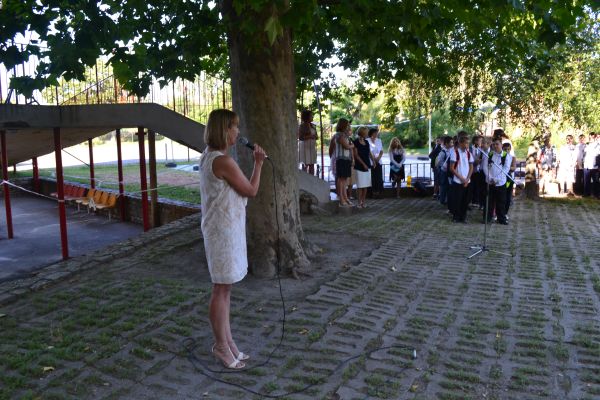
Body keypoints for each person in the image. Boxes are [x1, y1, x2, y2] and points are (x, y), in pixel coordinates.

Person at [199, 109, 266, 369]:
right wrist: (258, 163)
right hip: (222, 231)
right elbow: (251, 190)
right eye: (234, 127)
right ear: (224, 130)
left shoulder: (208, 155)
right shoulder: (223, 161)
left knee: (224, 288)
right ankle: (220, 346)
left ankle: (228, 343)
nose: (238, 132)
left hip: (222, 227)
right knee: (221, 289)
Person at [483, 137, 512, 225]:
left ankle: (501, 218)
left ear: (501, 145)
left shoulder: (506, 156)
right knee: (489, 201)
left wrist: (497, 179)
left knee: (501, 202)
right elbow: (485, 167)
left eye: (497, 144)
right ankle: (487, 218)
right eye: (494, 144)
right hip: (490, 182)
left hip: (501, 182)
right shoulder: (489, 154)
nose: (495, 146)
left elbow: (506, 169)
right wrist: (490, 178)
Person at [448, 134, 473, 223]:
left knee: (465, 200)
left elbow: (471, 167)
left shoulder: (469, 154)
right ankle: (456, 216)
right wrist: (462, 179)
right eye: (466, 143)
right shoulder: (455, 153)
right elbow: (452, 168)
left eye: (468, 143)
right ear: (460, 143)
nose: (467, 145)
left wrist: (467, 179)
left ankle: (463, 216)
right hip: (458, 181)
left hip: (467, 181)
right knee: (457, 199)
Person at [334, 118, 355, 206]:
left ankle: (345, 197)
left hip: (346, 159)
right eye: (347, 125)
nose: (348, 127)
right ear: (343, 125)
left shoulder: (346, 136)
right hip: (341, 159)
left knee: (345, 179)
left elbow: (349, 147)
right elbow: (346, 146)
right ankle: (341, 198)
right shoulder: (339, 135)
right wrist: (352, 145)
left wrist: (352, 159)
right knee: (341, 179)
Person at [353, 126, 374, 208]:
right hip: (359, 166)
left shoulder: (366, 142)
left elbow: (369, 152)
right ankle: (359, 203)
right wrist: (363, 164)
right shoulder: (356, 142)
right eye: (366, 132)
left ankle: (363, 202)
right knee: (360, 186)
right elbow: (356, 155)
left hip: (367, 165)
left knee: (365, 185)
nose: (367, 133)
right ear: (363, 133)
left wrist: (373, 161)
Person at [297, 109, 317, 175]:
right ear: (307, 117)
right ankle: (305, 178)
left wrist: (315, 136)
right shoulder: (302, 126)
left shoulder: (313, 126)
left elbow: (316, 136)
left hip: (312, 148)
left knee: (312, 165)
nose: (312, 117)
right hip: (305, 148)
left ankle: (312, 179)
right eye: (311, 115)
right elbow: (300, 137)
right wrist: (310, 136)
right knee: (305, 165)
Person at [436, 136, 453, 206]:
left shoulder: (452, 151)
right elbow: (439, 161)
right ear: (446, 143)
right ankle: (442, 200)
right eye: (451, 142)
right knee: (443, 185)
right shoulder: (443, 152)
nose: (452, 144)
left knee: (449, 186)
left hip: (449, 171)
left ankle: (448, 199)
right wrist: (444, 165)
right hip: (444, 171)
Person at [367, 128, 384, 198]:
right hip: (370, 161)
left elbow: (381, 151)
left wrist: (378, 158)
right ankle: (372, 193)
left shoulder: (379, 140)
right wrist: (373, 159)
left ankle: (379, 193)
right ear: (371, 133)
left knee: (379, 178)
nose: (376, 134)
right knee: (372, 178)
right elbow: (368, 151)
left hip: (378, 161)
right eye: (375, 133)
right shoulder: (367, 140)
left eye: (377, 133)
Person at [502, 142, 517, 216]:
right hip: (501, 178)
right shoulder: (501, 157)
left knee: (508, 196)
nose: (507, 151)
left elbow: (513, 168)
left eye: (508, 149)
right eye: (505, 149)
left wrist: (506, 168)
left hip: (509, 179)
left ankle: (505, 213)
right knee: (502, 196)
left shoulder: (512, 157)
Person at [583, 132, 599, 198]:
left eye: (592, 137)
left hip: (594, 166)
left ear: (595, 138)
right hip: (587, 165)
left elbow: (598, 155)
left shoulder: (598, 145)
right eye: (589, 137)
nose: (590, 138)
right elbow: (584, 154)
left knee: (596, 181)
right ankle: (586, 194)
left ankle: (596, 194)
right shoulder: (587, 145)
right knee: (586, 181)